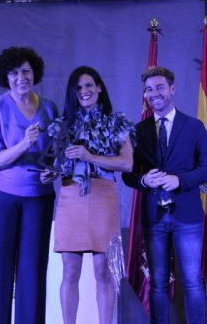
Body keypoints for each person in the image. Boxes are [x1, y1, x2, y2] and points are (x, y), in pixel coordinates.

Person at [122, 67, 207, 324]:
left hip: (187, 216)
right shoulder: (138, 131)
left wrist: (180, 180)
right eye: (149, 89)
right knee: (158, 283)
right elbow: (127, 174)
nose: (154, 93)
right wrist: (142, 180)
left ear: (172, 89)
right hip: (153, 218)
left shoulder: (194, 127)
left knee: (192, 281)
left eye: (159, 87)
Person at [0, 47, 58, 324]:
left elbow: (54, 155)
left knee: (33, 273)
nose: (21, 77)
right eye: (14, 73)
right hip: (0, 198)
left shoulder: (49, 108)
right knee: (0, 273)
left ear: (34, 72)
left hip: (39, 198)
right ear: (6, 77)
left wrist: (53, 171)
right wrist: (24, 142)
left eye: (26, 71)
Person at [52, 66, 134, 324]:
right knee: (70, 270)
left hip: (103, 195)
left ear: (99, 87)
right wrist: (49, 172)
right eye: (78, 88)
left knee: (103, 270)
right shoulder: (62, 125)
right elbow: (55, 162)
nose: (84, 91)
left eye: (89, 85)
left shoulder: (116, 121)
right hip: (70, 196)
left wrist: (90, 157)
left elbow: (127, 163)